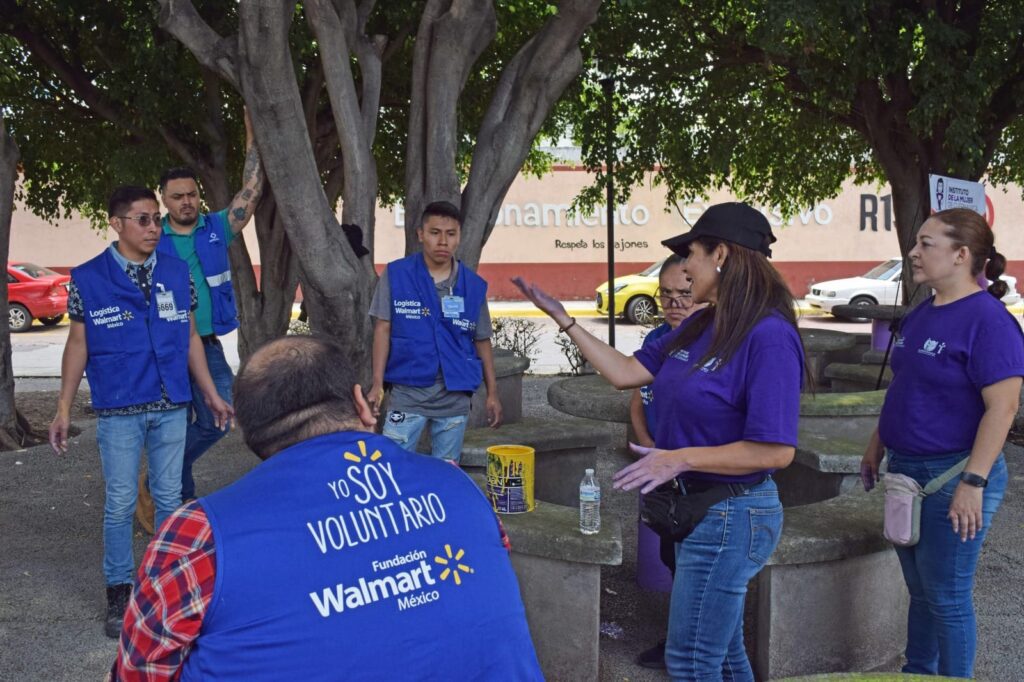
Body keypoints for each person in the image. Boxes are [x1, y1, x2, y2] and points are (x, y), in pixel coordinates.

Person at [109, 335, 542, 681]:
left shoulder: (198, 535)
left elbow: (138, 671)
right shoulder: (459, 485)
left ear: (252, 433)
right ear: (361, 404)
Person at [514, 202, 804, 681]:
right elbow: (626, 373)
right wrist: (564, 320)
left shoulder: (769, 336)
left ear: (723, 256)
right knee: (725, 655)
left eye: (691, 254)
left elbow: (776, 450)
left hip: (734, 513)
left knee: (690, 661)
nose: (685, 267)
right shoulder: (700, 323)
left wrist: (677, 459)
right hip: (696, 510)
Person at [47, 186, 233, 639]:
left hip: (172, 404)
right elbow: (78, 343)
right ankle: (119, 589)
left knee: (170, 500)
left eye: (155, 218)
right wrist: (63, 406)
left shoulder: (174, 271)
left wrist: (209, 393)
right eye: (144, 219)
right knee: (121, 502)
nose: (154, 227)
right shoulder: (88, 278)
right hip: (119, 407)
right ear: (116, 224)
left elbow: (190, 338)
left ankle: (167, 584)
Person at [860, 208, 1023, 678]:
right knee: (922, 589)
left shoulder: (988, 321)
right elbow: (905, 387)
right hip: (906, 470)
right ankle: (919, 672)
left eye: (925, 243)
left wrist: (974, 480)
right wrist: (878, 442)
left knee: (947, 594)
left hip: (955, 475)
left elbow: (1003, 408)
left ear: (961, 255)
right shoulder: (921, 313)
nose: (912, 252)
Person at [156, 110, 263, 502]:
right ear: (163, 199)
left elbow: (251, 190)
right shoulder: (152, 237)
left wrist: (252, 135)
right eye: (177, 196)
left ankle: (160, 474)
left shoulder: (216, 227)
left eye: (192, 194)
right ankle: (175, 497)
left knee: (219, 419)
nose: (187, 201)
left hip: (207, 343)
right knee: (173, 422)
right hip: (164, 346)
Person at [368, 200, 501, 462]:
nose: (443, 242)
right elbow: (382, 330)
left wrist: (493, 394)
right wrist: (376, 384)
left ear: (459, 237)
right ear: (420, 235)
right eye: (435, 233)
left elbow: (482, 340)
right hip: (408, 393)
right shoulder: (397, 275)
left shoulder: (472, 286)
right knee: (392, 468)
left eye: (451, 234)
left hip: (454, 399)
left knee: (446, 474)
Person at [628, 253, 705, 670]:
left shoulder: (717, 340)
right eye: (667, 295)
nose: (675, 303)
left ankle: (694, 647)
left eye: (685, 295)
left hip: (702, 477)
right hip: (661, 472)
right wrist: (649, 451)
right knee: (671, 556)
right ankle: (677, 639)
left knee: (699, 566)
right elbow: (638, 400)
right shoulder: (657, 339)